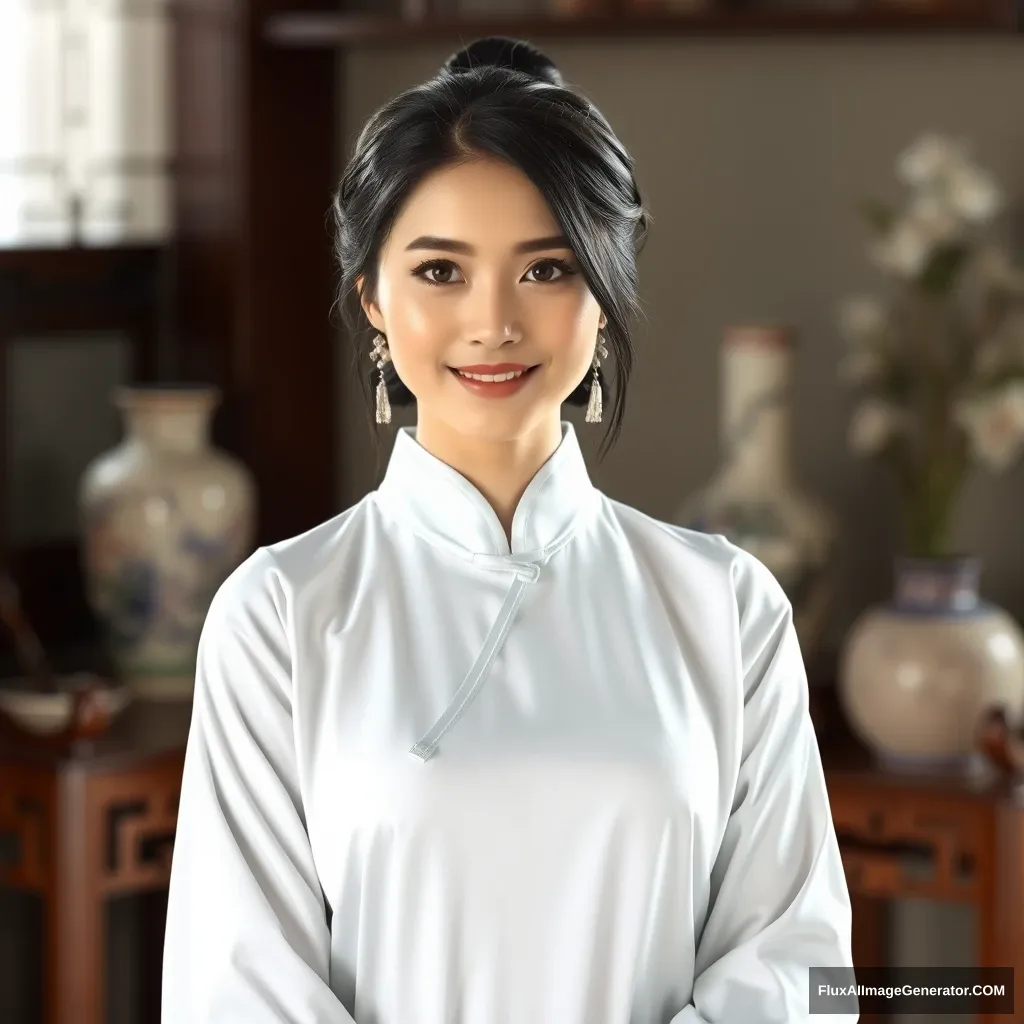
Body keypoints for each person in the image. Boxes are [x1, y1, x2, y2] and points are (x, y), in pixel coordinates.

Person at [161, 35, 857, 1024]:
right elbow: (237, 988)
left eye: (546, 269)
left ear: (606, 298)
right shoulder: (279, 615)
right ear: (371, 296)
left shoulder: (725, 603)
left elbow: (796, 967)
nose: (492, 322)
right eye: (440, 271)